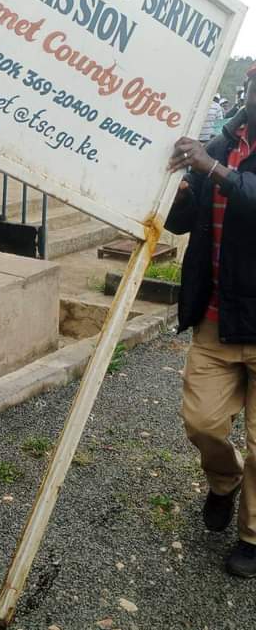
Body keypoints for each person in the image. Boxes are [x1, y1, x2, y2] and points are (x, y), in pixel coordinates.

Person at [166, 61, 256, 578]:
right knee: (202, 422)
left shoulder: (214, 158)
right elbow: (182, 223)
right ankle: (224, 481)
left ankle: (252, 535)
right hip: (217, 319)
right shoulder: (219, 146)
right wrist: (178, 193)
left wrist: (212, 169)